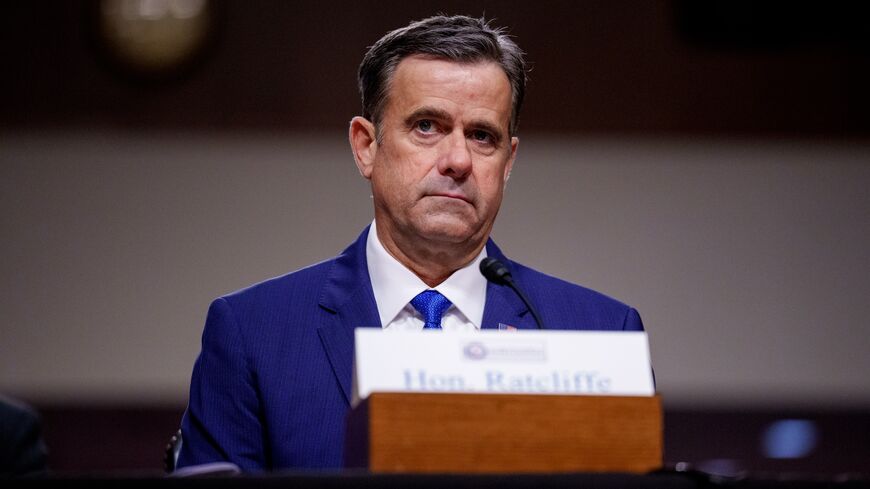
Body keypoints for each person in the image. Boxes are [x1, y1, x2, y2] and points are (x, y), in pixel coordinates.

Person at [176, 14, 644, 473]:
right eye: (427, 126)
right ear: (366, 146)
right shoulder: (252, 332)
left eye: (482, 136)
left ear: (508, 162)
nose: (458, 159)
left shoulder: (602, 332)